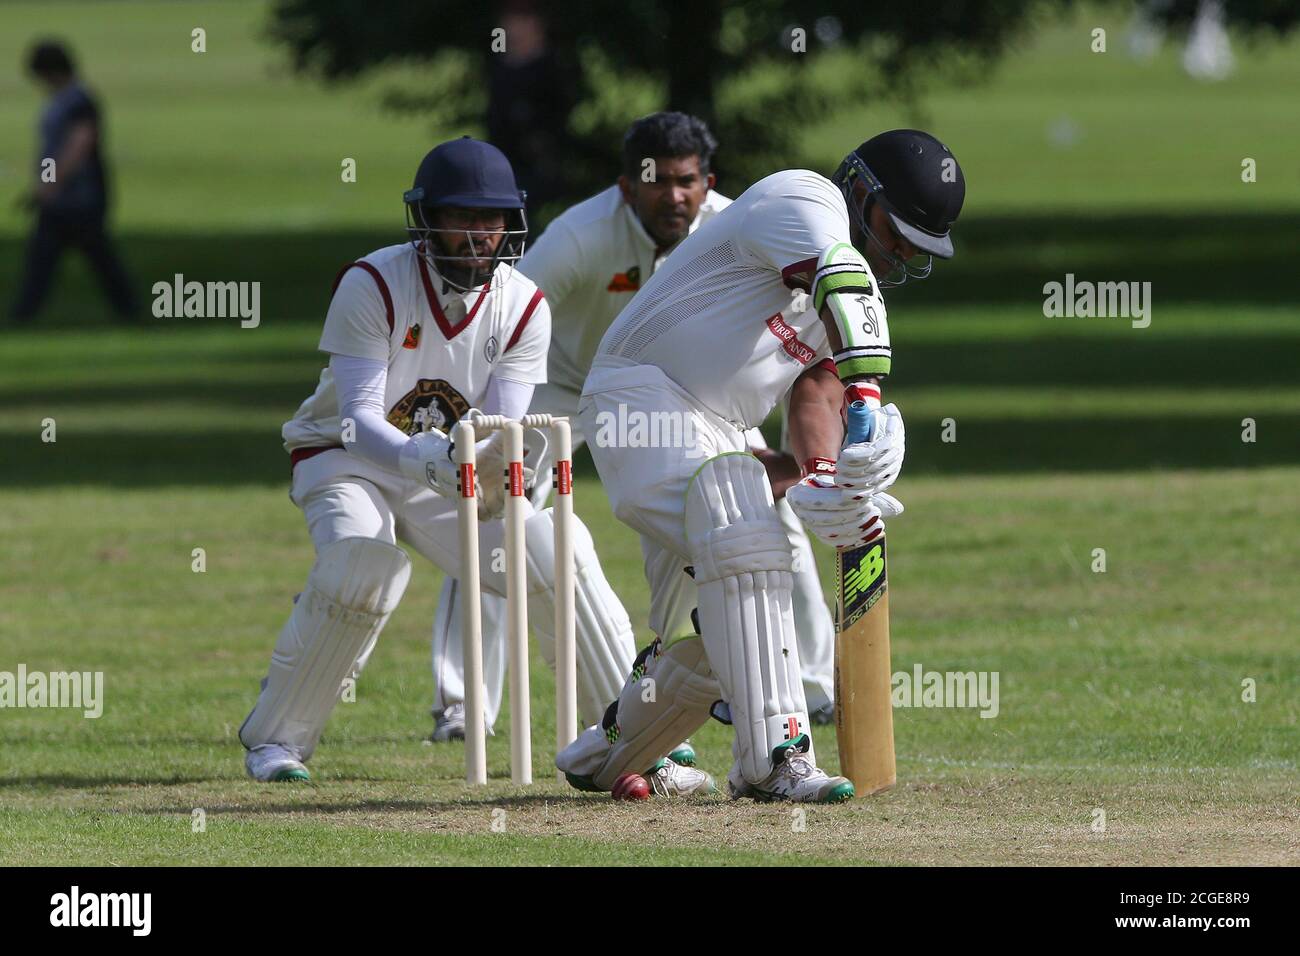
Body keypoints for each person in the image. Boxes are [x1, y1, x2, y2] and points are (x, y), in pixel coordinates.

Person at [556, 129, 966, 803]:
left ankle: (608, 754)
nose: (897, 257)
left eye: (914, 251)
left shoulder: (848, 293)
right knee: (749, 542)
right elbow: (842, 282)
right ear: (862, 193)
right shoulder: (802, 199)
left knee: (725, 639)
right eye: (896, 235)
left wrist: (836, 474)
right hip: (640, 394)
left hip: (720, 431)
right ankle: (774, 762)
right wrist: (870, 397)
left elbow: (816, 394)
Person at [429, 113, 839, 776]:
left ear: (709, 184)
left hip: (696, 394)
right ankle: (461, 703)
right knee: (493, 514)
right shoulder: (583, 235)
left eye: (687, 182)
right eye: (656, 182)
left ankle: (807, 690)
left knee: (766, 517)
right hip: (563, 385)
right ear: (627, 187)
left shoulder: (749, 225)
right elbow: (512, 309)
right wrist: (491, 408)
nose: (673, 196)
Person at [239, 138, 654, 787]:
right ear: (426, 219)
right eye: (462, 217)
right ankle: (276, 743)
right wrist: (420, 459)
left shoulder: (524, 306)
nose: (479, 235)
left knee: (555, 547)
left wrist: (491, 467)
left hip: (443, 473)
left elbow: (502, 425)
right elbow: (355, 417)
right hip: (344, 456)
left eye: (490, 220)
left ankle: (638, 734)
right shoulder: (372, 282)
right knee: (362, 563)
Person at [11, 40, 135, 324]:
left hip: (78, 198)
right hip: (64, 198)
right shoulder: (65, 101)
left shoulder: (79, 102)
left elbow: (78, 146)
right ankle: (22, 316)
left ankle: (22, 316)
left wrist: (49, 185)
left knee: (91, 259)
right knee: (52, 259)